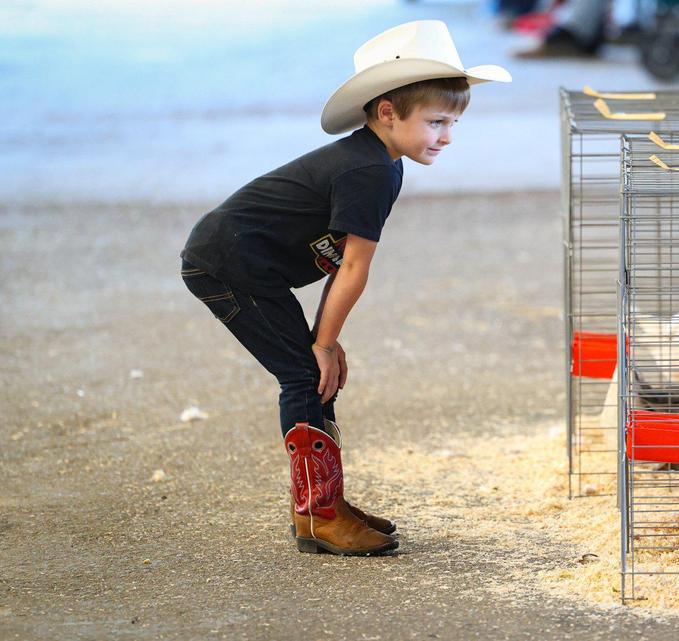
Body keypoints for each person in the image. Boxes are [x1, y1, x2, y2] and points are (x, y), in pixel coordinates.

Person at [179, 21, 510, 556]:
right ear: (387, 112)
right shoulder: (368, 171)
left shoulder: (384, 163)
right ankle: (320, 515)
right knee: (305, 375)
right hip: (226, 264)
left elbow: (338, 263)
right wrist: (323, 343)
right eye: (436, 121)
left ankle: (321, 504)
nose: (446, 136)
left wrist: (323, 335)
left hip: (253, 266)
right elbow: (354, 266)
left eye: (452, 123)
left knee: (313, 372)